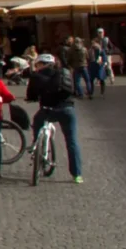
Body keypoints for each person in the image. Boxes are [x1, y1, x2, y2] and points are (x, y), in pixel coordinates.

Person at [26, 53, 83, 183]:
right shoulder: (63, 72)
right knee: (72, 141)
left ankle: (36, 144)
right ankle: (77, 174)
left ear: (40, 64)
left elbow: (31, 95)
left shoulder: (36, 76)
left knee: (37, 120)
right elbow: (71, 90)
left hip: (47, 110)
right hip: (67, 110)